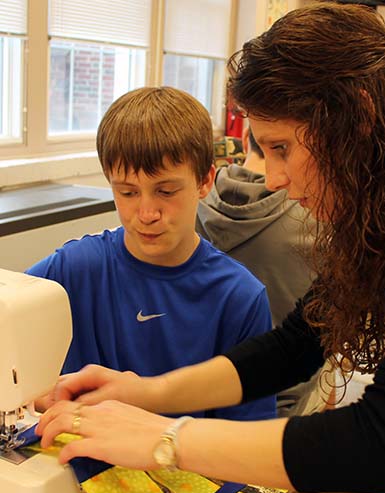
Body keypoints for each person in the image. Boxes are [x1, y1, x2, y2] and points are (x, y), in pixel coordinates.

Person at [36, 3, 385, 493]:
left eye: (282, 148)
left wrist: (165, 438)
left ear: (358, 118)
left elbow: (382, 444)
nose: (274, 179)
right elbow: (293, 348)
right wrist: (148, 393)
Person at [28, 86, 276, 422]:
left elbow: (246, 438)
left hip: (185, 467)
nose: (146, 213)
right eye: (127, 192)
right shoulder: (74, 267)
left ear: (205, 181)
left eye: (166, 191)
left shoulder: (239, 298)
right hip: (81, 462)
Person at [197, 126, 324, 416]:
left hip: (203, 393)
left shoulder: (191, 201)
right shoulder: (317, 218)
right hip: (286, 398)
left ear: (244, 140)